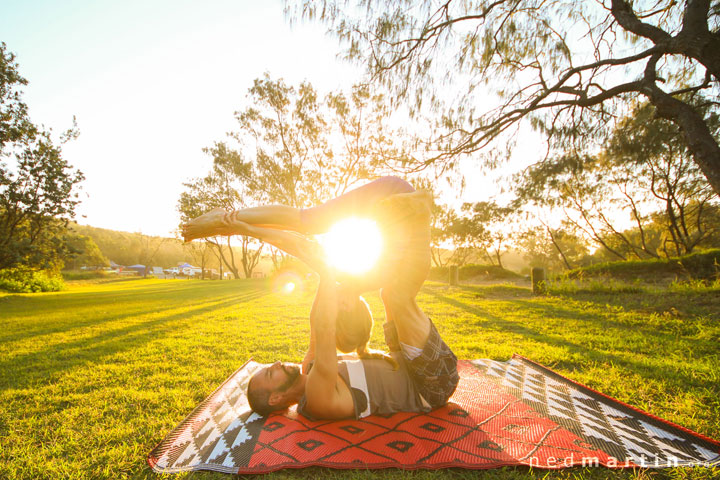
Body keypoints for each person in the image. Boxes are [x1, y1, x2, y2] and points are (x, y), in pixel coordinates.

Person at [181, 177, 459, 419]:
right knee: (396, 294)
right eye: (269, 374)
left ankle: (229, 218)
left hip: (408, 362)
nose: (275, 364)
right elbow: (325, 326)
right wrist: (324, 270)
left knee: (314, 224)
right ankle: (228, 220)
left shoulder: (310, 368)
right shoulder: (318, 397)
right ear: (276, 399)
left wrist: (246, 229)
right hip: (431, 383)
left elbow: (310, 273)